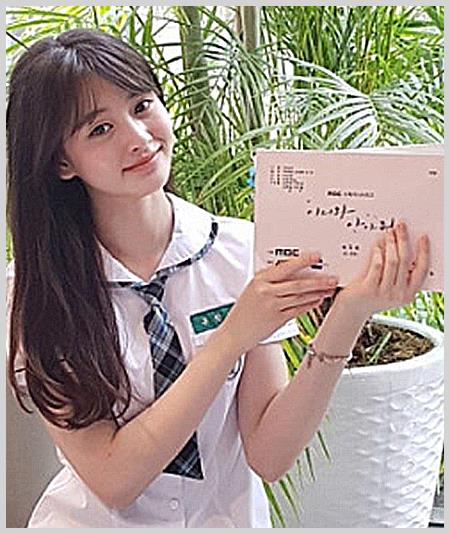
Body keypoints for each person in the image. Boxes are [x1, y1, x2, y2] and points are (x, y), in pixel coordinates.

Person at [6, 28, 430, 528]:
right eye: (100, 129)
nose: (138, 137)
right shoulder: (35, 291)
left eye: (142, 106)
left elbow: (269, 455)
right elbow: (115, 479)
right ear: (61, 161)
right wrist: (230, 339)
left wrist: (351, 311)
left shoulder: (239, 249)